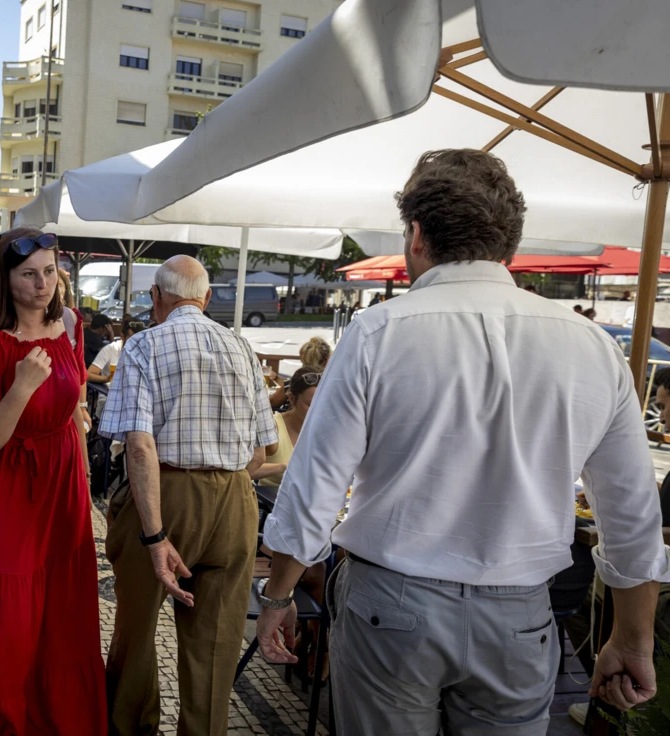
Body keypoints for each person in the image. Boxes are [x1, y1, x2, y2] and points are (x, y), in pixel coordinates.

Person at [256, 149, 670, 734]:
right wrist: (632, 638)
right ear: (510, 243)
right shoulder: (591, 345)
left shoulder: (378, 332)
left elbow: (314, 489)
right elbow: (631, 515)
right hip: (521, 615)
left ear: (416, 234)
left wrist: (277, 595)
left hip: (390, 607)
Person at [98, 255, 276, 736]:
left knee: (136, 633)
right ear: (208, 298)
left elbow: (138, 443)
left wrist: (155, 533)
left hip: (165, 491)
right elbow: (263, 449)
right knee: (216, 645)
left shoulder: (143, 346)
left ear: (157, 298)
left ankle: (133, 727)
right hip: (237, 499)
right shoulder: (241, 346)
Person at [0, 228, 105, 734]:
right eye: (28, 274)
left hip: (63, 493)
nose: (43, 285)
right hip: (8, 496)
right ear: (5, 279)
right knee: (8, 627)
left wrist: (82, 482)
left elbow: (74, 412)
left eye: (50, 272)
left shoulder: (73, 327)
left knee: (63, 624)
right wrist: (20, 389)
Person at [252, 365, 322, 489]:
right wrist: (284, 467)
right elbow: (244, 471)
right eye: (310, 405)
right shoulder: (274, 427)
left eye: (323, 404)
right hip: (274, 502)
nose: (317, 410)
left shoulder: (330, 428)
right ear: (292, 399)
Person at [270, 336, 332, 408]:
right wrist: (276, 378)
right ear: (327, 361)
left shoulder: (296, 383)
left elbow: (271, 402)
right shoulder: (332, 382)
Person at [87, 320, 144, 386]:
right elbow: (88, 375)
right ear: (122, 337)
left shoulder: (143, 350)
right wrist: (107, 378)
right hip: (109, 393)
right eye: (132, 340)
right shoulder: (111, 349)